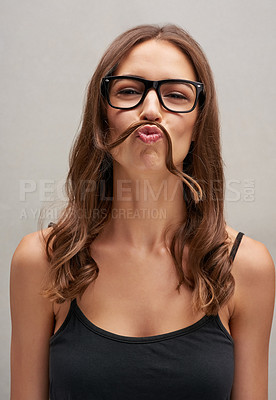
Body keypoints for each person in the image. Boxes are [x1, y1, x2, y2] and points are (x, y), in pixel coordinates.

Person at [10, 24, 275, 400]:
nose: (150, 110)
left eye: (176, 95)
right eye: (129, 91)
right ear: (102, 117)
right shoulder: (43, 261)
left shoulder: (245, 267)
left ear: (199, 121)